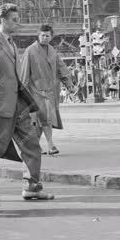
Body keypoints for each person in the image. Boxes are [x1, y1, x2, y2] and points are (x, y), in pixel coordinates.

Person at [0, 5, 51, 201]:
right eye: (13, 19)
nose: (17, 22)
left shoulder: (12, 43)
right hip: (0, 105)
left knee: (31, 145)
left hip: (18, 105)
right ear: (2, 20)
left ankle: (32, 187)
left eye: (17, 18)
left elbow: (15, 77)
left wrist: (30, 105)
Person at [20, 24, 72, 156]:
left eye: (47, 35)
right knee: (45, 118)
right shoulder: (30, 51)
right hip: (35, 91)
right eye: (42, 35)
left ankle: (35, 146)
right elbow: (24, 73)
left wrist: (69, 84)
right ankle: (51, 145)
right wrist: (22, 94)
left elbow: (61, 68)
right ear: (38, 36)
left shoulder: (52, 50)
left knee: (41, 121)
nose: (44, 38)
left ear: (51, 37)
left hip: (51, 91)